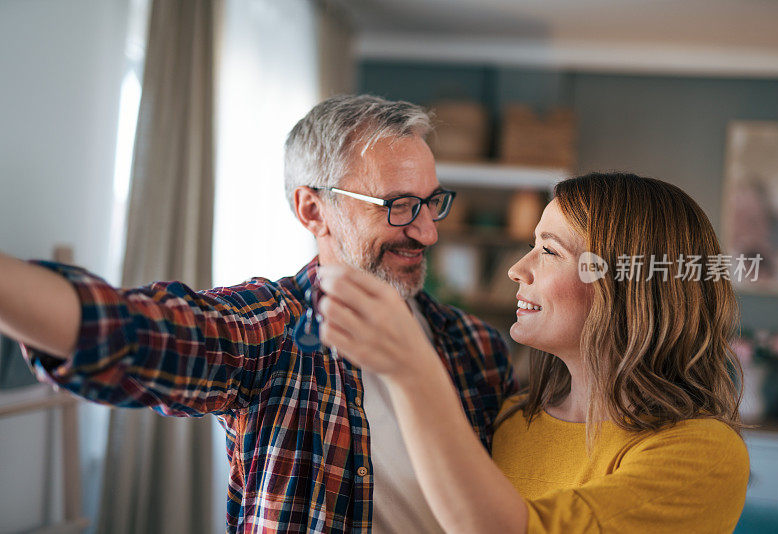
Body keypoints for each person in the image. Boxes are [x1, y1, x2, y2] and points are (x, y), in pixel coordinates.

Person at [0, 95, 516, 533]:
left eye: (433, 202)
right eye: (399, 205)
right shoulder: (272, 328)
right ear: (313, 210)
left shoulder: (477, 348)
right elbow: (131, 333)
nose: (428, 232)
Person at [317, 172, 750, 533]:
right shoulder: (510, 418)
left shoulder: (704, 454)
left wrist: (411, 370)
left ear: (626, 286)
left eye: (549, 250)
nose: (517, 269)